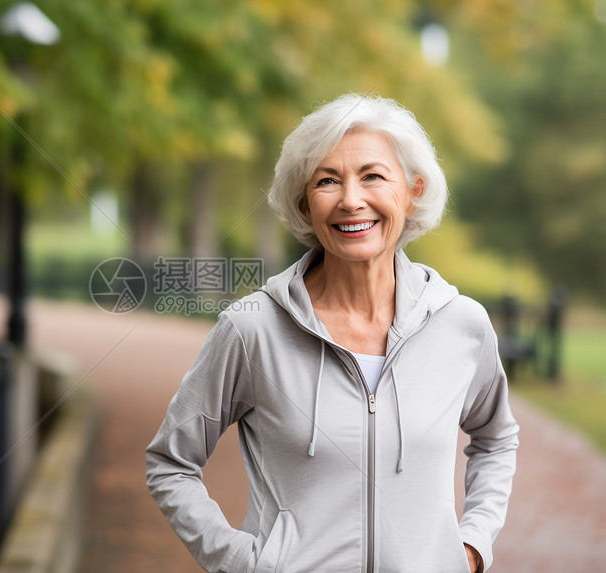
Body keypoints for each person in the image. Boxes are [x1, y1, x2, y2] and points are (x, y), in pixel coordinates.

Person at [146, 93, 518, 573]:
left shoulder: (460, 325)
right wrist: (243, 563)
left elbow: (497, 438)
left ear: (413, 191)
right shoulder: (251, 328)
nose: (351, 200)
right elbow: (170, 464)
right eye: (327, 181)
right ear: (305, 203)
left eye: (373, 176)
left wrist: (471, 546)